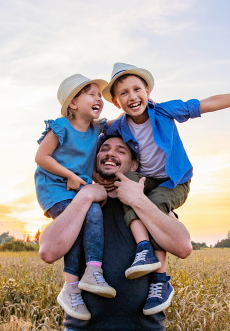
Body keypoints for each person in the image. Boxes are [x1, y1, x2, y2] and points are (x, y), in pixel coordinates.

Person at [102, 62, 230, 314]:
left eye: (136, 89)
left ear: (147, 91)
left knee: (155, 207)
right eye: (124, 93)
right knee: (127, 188)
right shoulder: (119, 126)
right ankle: (143, 249)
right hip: (147, 179)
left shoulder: (163, 111)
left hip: (174, 181)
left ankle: (160, 281)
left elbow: (205, 104)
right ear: (117, 102)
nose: (132, 96)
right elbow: (92, 131)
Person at [39, 135, 192, 331]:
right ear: (94, 160)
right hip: (82, 327)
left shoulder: (151, 204)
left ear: (135, 165)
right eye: (104, 149)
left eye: (121, 151)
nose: (110, 153)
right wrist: (85, 196)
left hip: (145, 327)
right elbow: (48, 251)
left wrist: (138, 200)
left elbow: (183, 246)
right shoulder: (77, 202)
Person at [34, 74, 116, 321]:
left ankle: (92, 271)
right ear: (73, 103)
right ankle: (71, 286)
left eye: (100, 96)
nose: (98, 99)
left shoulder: (96, 129)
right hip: (55, 188)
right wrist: (69, 175)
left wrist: (143, 103)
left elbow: (118, 120)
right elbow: (42, 157)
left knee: (91, 213)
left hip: (76, 188)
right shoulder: (61, 126)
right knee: (81, 218)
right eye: (91, 94)